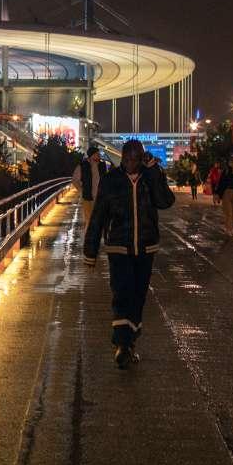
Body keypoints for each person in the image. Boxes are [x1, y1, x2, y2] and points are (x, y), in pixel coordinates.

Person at [83, 140, 175, 369]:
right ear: (122, 158)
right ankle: (122, 344)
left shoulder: (150, 177)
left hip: (145, 248)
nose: (132, 163)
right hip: (119, 248)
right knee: (122, 294)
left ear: (143, 158)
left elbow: (165, 201)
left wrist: (154, 171)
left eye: (137, 159)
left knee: (138, 296)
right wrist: (90, 251)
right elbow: (98, 217)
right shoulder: (110, 180)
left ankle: (130, 341)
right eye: (128, 159)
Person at [71, 146, 108, 226]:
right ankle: (89, 237)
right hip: (88, 197)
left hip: (100, 197)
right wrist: (81, 190)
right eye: (97, 154)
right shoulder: (83, 166)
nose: (99, 155)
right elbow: (75, 180)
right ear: (92, 155)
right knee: (89, 220)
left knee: (100, 220)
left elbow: (106, 179)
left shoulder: (102, 165)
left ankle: (98, 236)